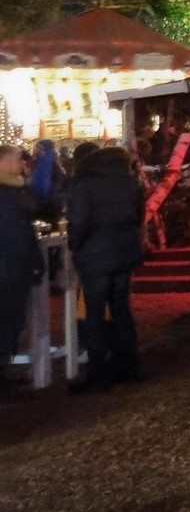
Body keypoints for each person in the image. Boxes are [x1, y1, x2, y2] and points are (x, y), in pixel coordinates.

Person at [66, 146, 145, 392]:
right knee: (121, 309)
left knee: (95, 313)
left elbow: (79, 221)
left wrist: (74, 246)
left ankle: (97, 373)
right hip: (125, 251)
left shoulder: (84, 185)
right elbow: (138, 216)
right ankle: (128, 365)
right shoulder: (130, 184)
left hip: (95, 254)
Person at [0, 145, 44, 394]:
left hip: (14, 263)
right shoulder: (12, 192)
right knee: (7, 319)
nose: (22, 163)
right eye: (17, 158)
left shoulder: (17, 188)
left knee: (12, 321)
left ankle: (3, 370)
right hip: (10, 263)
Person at [26, 139, 65, 218]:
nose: (35, 150)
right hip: (41, 203)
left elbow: (54, 186)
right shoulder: (39, 163)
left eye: (37, 148)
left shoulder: (52, 166)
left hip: (49, 204)